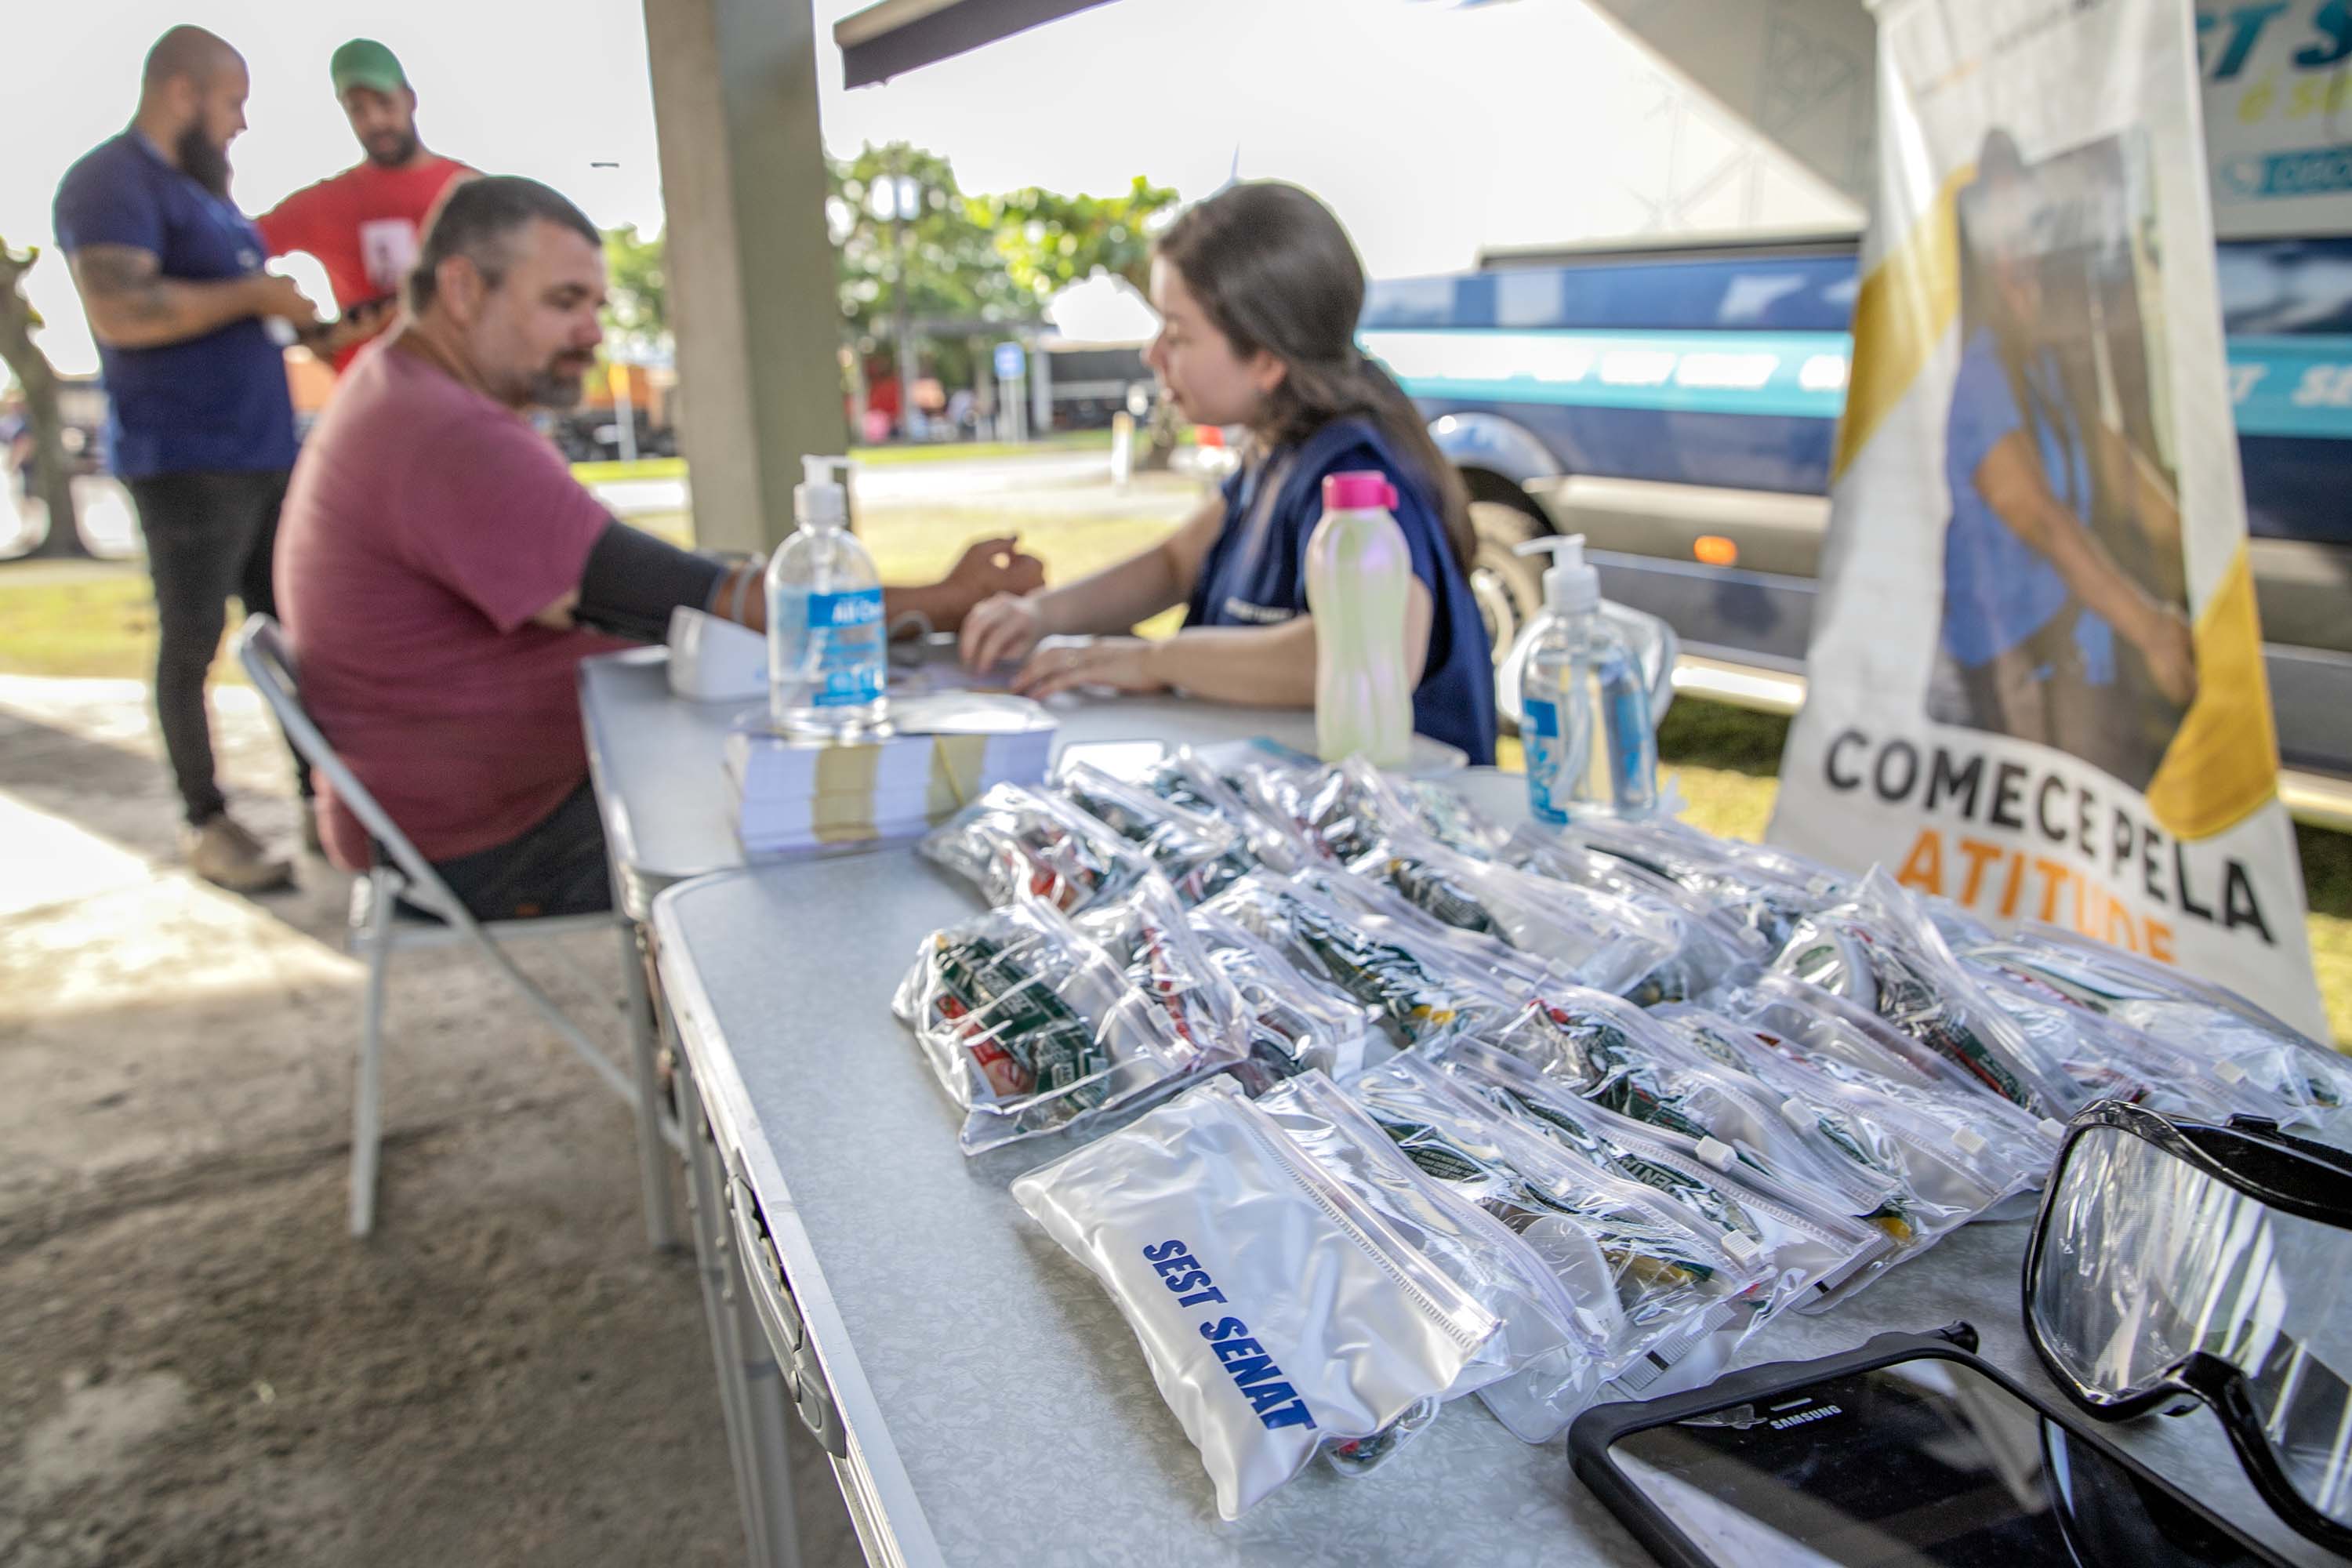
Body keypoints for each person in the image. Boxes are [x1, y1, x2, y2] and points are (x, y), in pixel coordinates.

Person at [276, 176, 1042, 920]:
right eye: (563, 301)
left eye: (595, 305)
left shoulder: (406, 391)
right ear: (464, 288)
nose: (593, 332)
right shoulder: (443, 430)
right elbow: (675, 596)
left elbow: (650, 576)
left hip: (449, 812)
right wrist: (940, 600)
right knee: (842, 817)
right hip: (487, 840)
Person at [957, 181, 1497, 764]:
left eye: (1178, 333)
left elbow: (1371, 645)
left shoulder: (1354, 473)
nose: (1153, 354)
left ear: (1265, 359)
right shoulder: (1276, 452)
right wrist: (1041, 614)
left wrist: (1153, 661)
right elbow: (1174, 564)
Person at [53, 25, 328, 891]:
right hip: (185, 460)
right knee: (193, 641)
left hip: (261, 451)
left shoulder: (210, 198)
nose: (241, 124)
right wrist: (253, 292)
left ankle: (327, 803)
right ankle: (206, 820)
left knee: (290, 636)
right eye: (233, 102)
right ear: (184, 91)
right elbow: (121, 311)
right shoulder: (109, 182)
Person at [1939, 132, 2196, 788]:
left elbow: (2114, 463)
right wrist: (2152, 629)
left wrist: (2202, 560)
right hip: (2014, 661)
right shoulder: (1976, 367)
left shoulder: (2043, 358)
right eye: (2001, 235)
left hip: (2075, 641)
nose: (2019, 255)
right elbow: (2038, 516)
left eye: (2029, 228)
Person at [256, 40, 474, 373]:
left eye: (384, 102)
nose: (374, 120)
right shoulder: (324, 203)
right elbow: (232, 253)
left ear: (410, 99)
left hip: (466, 392)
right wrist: (311, 334)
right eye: (358, 109)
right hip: (370, 401)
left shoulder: (473, 189)